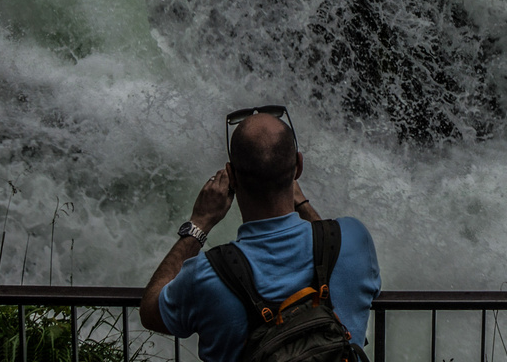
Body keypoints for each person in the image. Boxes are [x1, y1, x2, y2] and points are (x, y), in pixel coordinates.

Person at [140, 108, 381, 362]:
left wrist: (199, 223)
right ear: (298, 166)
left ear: (232, 177)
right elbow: (331, 248)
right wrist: (302, 204)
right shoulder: (355, 238)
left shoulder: (206, 275)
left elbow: (150, 311)